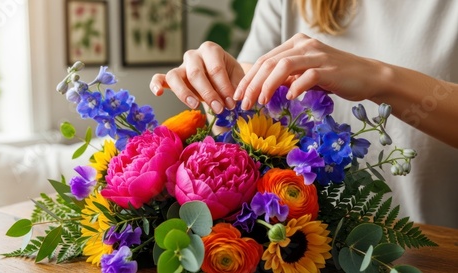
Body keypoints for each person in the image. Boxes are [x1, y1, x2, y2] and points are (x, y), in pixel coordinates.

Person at [149, 0, 458, 228]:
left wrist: (380, 78)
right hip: (309, 248)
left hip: (436, 251)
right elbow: (241, 127)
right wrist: (219, 87)